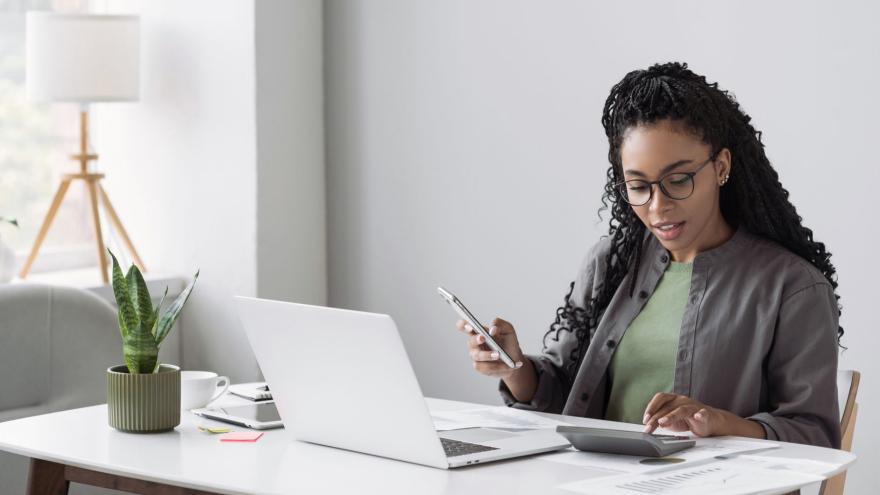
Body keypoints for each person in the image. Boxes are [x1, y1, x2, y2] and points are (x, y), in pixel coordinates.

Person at [455, 62, 842, 448]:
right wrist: (514, 367)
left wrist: (719, 422)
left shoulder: (793, 288)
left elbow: (816, 436)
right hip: (597, 475)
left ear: (721, 167)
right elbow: (568, 398)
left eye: (678, 180)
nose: (658, 207)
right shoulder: (610, 264)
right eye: (638, 186)